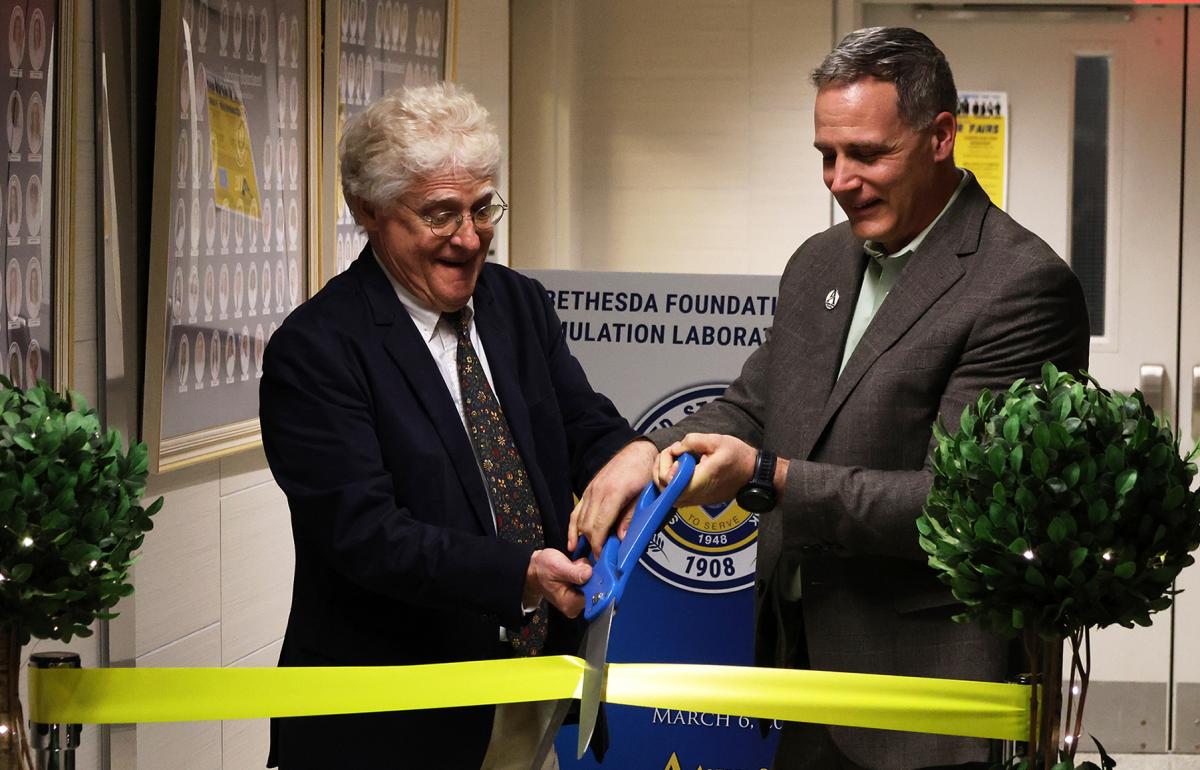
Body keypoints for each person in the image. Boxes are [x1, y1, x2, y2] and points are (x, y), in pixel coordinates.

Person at [571, 26, 1091, 770]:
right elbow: (753, 403)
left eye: (868, 155)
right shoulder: (820, 260)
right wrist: (647, 452)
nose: (839, 180)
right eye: (827, 155)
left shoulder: (1021, 285)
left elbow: (964, 507)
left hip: (924, 700)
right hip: (803, 672)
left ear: (942, 135)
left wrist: (770, 479)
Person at [260, 83, 637, 769]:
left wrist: (633, 456)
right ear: (368, 212)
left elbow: (584, 424)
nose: (469, 239)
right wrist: (518, 573)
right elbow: (364, 534)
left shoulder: (516, 304)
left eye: (482, 207)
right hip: (394, 727)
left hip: (532, 694)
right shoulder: (317, 349)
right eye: (440, 214)